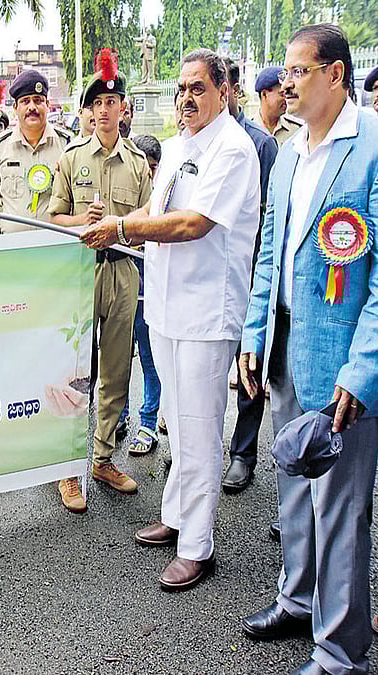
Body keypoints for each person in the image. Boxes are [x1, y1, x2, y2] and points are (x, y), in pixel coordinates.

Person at [81, 48, 260, 591]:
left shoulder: (233, 148)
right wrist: (114, 222)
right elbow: (154, 215)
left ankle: (197, 545)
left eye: (198, 89)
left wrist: (122, 229)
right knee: (178, 426)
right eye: (182, 89)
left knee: (201, 429)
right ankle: (178, 515)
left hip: (207, 312)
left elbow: (193, 224)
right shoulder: (181, 145)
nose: (186, 98)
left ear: (224, 91)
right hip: (165, 306)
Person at [238, 25, 378, 675]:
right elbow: (271, 251)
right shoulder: (290, 152)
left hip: (343, 355)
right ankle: (296, 599)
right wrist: (254, 333)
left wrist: (364, 367)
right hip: (287, 341)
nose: (285, 83)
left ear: (336, 76)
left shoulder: (371, 146)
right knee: (294, 480)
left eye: (297, 71)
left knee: (342, 506)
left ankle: (340, 650)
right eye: (284, 73)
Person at [49, 60, 153, 511]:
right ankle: (67, 469)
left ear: (123, 109)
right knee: (72, 372)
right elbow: (53, 218)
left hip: (124, 272)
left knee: (116, 370)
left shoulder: (138, 164)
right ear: (89, 111)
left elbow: (151, 220)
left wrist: (123, 227)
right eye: (98, 103)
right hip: (81, 271)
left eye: (112, 102)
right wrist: (82, 221)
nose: (105, 110)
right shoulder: (72, 159)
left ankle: (103, 457)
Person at [220, 57, 280, 495]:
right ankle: (200, 452)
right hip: (208, 275)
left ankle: (243, 452)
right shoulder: (196, 142)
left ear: (233, 89)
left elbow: (271, 220)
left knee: (250, 364)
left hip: (251, 272)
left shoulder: (259, 144)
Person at [0, 69, 72, 236]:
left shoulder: (67, 146)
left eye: (38, 100)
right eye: (25, 101)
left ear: (47, 105)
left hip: (57, 249)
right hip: (13, 252)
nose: (32, 107)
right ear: (15, 107)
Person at [116, 133, 163, 456]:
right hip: (122, 284)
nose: (147, 174)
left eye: (153, 168)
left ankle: (148, 423)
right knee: (119, 358)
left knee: (149, 358)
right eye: (142, 168)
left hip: (151, 288)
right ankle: (120, 416)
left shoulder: (166, 198)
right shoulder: (127, 188)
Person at [253, 66, 304, 147]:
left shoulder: (297, 130)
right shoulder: (247, 130)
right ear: (264, 94)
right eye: (282, 94)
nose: (286, 98)